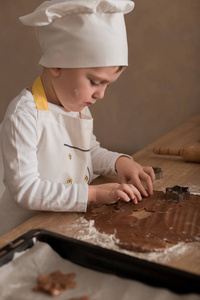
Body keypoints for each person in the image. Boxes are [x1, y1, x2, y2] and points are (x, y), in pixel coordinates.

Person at [0, 0, 155, 236]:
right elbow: (25, 190)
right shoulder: (23, 115)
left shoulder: (77, 106)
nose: (100, 94)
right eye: (94, 81)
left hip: (61, 225)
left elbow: (87, 151)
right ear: (57, 64)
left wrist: (120, 162)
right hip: (23, 233)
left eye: (107, 85)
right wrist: (92, 194)